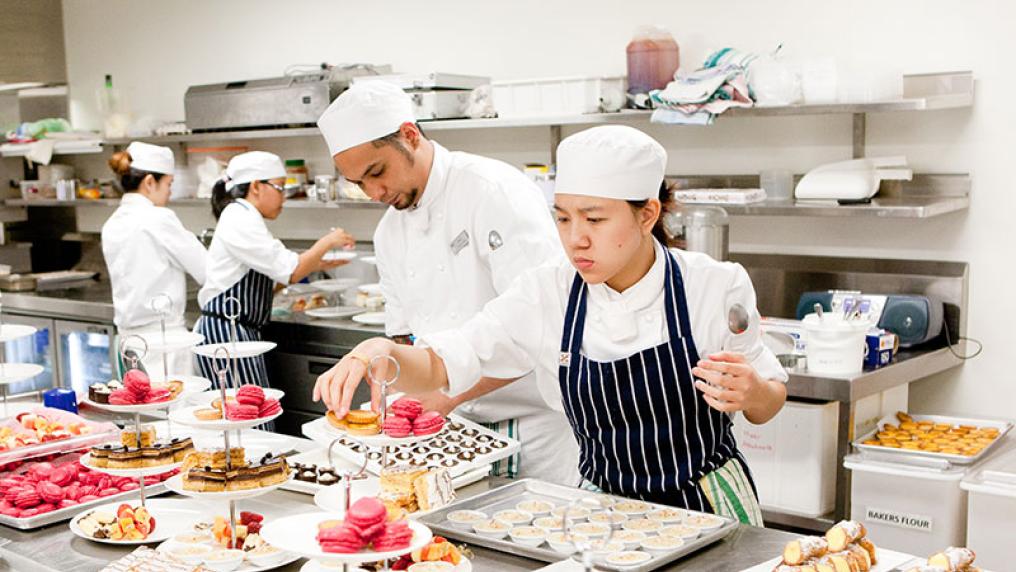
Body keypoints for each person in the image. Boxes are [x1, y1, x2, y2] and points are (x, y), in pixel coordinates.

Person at [314, 126, 788, 524]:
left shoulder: (713, 286)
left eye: (595, 219)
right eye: (562, 218)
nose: (575, 239)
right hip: (600, 508)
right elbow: (448, 360)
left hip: (708, 507)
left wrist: (754, 393)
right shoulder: (547, 293)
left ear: (647, 214)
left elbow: (768, 400)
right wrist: (382, 352)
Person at [315, 82, 579, 485]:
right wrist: (390, 394)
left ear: (410, 135)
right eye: (359, 183)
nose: (374, 193)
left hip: (533, 431)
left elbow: (541, 326)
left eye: (377, 172)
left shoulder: (493, 192)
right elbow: (404, 338)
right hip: (449, 431)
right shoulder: (390, 232)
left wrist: (446, 394)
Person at [196, 151, 354, 394]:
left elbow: (271, 280)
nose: (284, 197)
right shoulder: (240, 218)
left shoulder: (245, 216)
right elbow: (289, 270)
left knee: (251, 414)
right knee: (248, 418)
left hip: (239, 331)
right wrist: (327, 242)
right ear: (257, 186)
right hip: (227, 333)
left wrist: (315, 264)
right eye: (280, 188)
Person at [102, 141, 207, 376]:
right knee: (173, 410)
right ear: (150, 182)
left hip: (129, 342)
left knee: (141, 410)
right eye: (168, 184)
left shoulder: (112, 223)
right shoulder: (158, 218)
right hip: (164, 343)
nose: (170, 192)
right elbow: (206, 270)